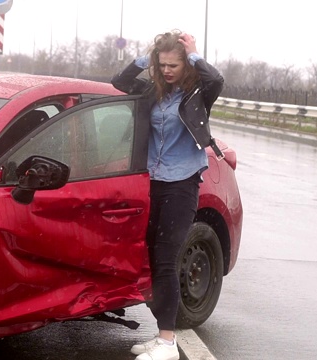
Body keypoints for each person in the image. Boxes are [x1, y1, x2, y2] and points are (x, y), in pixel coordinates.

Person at [111, 29, 224, 360]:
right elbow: (119, 81)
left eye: (174, 65)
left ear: (185, 65)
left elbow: (216, 81)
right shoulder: (152, 92)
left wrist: (194, 55)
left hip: (182, 183)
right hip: (154, 181)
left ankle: (167, 340)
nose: (167, 71)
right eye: (162, 65)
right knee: (151, 256)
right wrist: (147, 58)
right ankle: (163, 336)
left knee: (165, 260)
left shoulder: (196, 95)